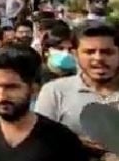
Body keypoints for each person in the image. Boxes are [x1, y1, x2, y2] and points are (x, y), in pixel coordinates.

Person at [35, 23, 119, 151]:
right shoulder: (54, 92)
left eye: (107, 52)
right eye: (89, 52)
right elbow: (39, 140)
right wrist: (75, 142)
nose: (98, 58)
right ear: (75, 54)